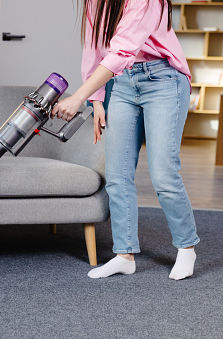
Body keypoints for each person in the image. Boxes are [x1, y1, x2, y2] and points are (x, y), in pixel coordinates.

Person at [52, 0, 200, 280]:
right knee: (118, 176)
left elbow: (122, 49)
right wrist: (96, 101)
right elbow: (93, 48)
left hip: (164, 80)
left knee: (163, 174)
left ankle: (186, 246)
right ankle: (124, 254)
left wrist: (79, 97)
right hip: (121, 83)